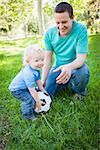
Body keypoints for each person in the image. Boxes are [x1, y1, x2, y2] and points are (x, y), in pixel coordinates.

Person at [42, 2, 90, 99]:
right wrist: (43, 80)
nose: (60, 26)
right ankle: (65, 84)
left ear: (72, 18)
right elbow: (47, 60)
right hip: (58, 68)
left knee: (83, 71)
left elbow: (81, 59)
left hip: (77, 67)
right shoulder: (49, 34)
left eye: (64, 22)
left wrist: (69, 67)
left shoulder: (81, 29)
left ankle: (79, 92)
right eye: (57, 22)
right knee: (47, 93)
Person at [9, 44, 46, 120]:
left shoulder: (36, 69)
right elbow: (32, 91)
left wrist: (42, 90)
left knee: (35, 93)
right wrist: (38, 101)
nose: (41, 62)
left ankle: (32, 108)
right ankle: (27, 116)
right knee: (29, 99)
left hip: (25, 87)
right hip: (17, 90)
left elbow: (38, 81)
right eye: (37, 60)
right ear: (28, 61)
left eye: (42, 59)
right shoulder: (28, 74)